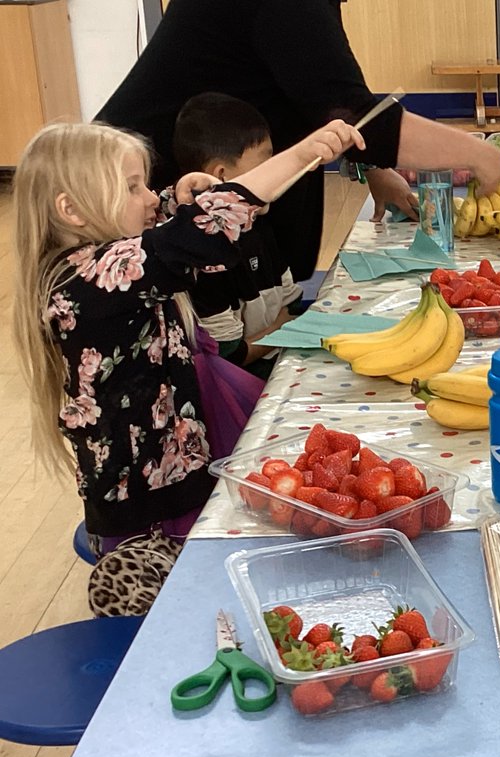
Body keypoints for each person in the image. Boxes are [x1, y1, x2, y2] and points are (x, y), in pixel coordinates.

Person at [11, 118, 363, 557]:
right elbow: (197, 233)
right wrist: (302, 153)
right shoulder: (94, 275)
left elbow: (167, 228)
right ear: (72, 211)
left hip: (176, 477)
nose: (148, 198)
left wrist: (178, 195)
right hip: (149, 513)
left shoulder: (97, 263)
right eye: (133, 187)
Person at [96, 0, 500, 283]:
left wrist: (374, 168)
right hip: (148, 194)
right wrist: (478, 153)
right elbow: (345, 109)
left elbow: (317, 90)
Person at [172, 92, 300, 379]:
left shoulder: (260, 223)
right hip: (242, 387)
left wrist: (280, 327)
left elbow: (290, 302)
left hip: (278, 362)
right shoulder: (204, 257)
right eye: (264, 166)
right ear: (220, 175)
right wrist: (281, 327)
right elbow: (229, 354)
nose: (276, 176)